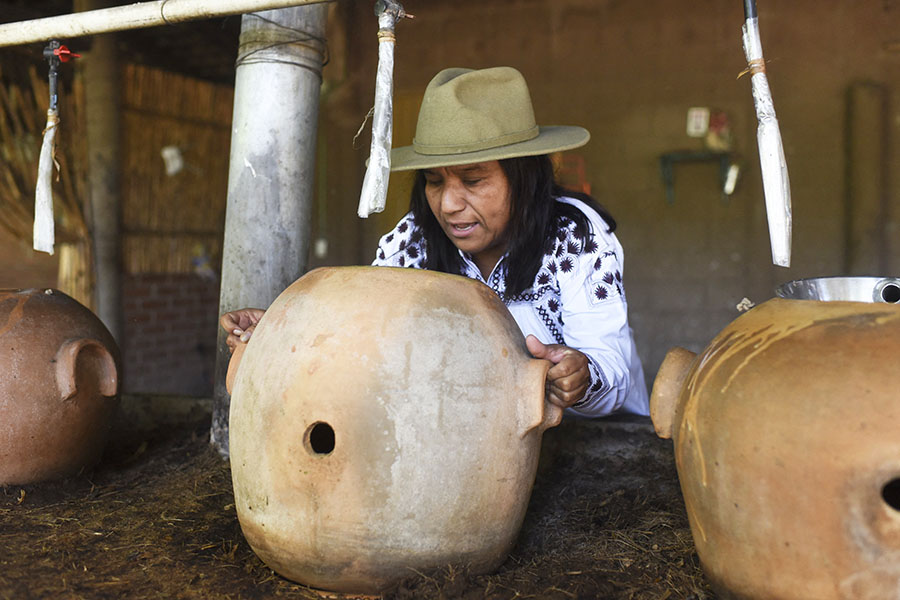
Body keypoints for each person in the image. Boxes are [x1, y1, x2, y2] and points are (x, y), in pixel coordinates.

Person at [222, 66, 648, 417]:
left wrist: (580, 375)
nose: (447, 204)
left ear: (524, 177)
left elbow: (612, 367)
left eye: (474, 180)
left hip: (600, 444)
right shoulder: (415, 241)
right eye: (433, 181)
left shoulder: (575, 237)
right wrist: (281, 330)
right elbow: (359, 325)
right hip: (483, 441)